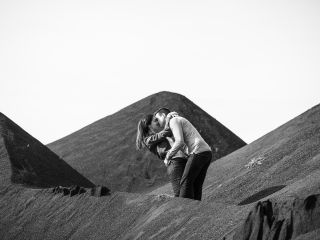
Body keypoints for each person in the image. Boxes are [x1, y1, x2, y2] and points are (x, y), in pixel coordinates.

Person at [153, 107, 212, 201]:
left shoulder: (174, 120)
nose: (157, 122)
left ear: (163, 115)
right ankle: (196, 209)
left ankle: (184, 210)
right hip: (206, 152)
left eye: (157, 119)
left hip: (198, 152)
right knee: (196, 184)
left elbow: (179, 141)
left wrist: (168, 157)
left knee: (185, 182)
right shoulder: (178, 119)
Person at [136, 113, 188, 197]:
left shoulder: (159, 135)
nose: (158, 122)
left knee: (188, 191)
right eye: (155, 120)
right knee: (181, 195)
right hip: (174, 163)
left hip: (181, 160)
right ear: (149, 125)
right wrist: (168, 119)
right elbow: (165, 132)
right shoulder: (148, 140)